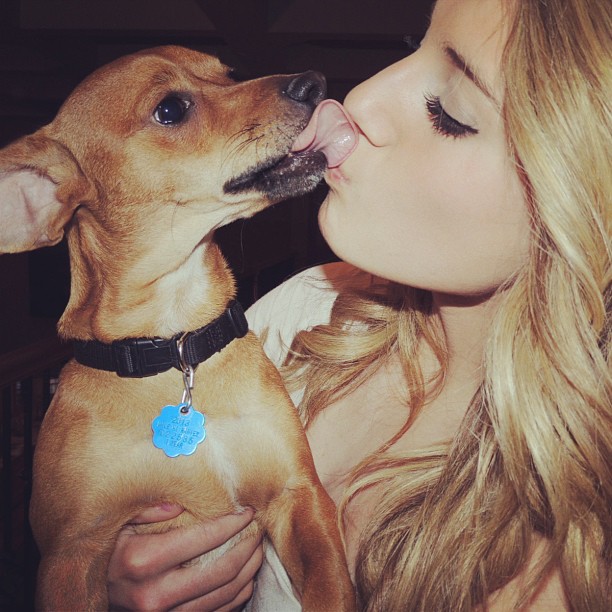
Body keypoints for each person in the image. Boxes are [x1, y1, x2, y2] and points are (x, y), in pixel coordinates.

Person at [107, 0, 611, 609]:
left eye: (449, 113)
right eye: (413, 47)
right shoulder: (295, 316)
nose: (361, 99)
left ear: (588, 209)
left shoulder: (579, 561)